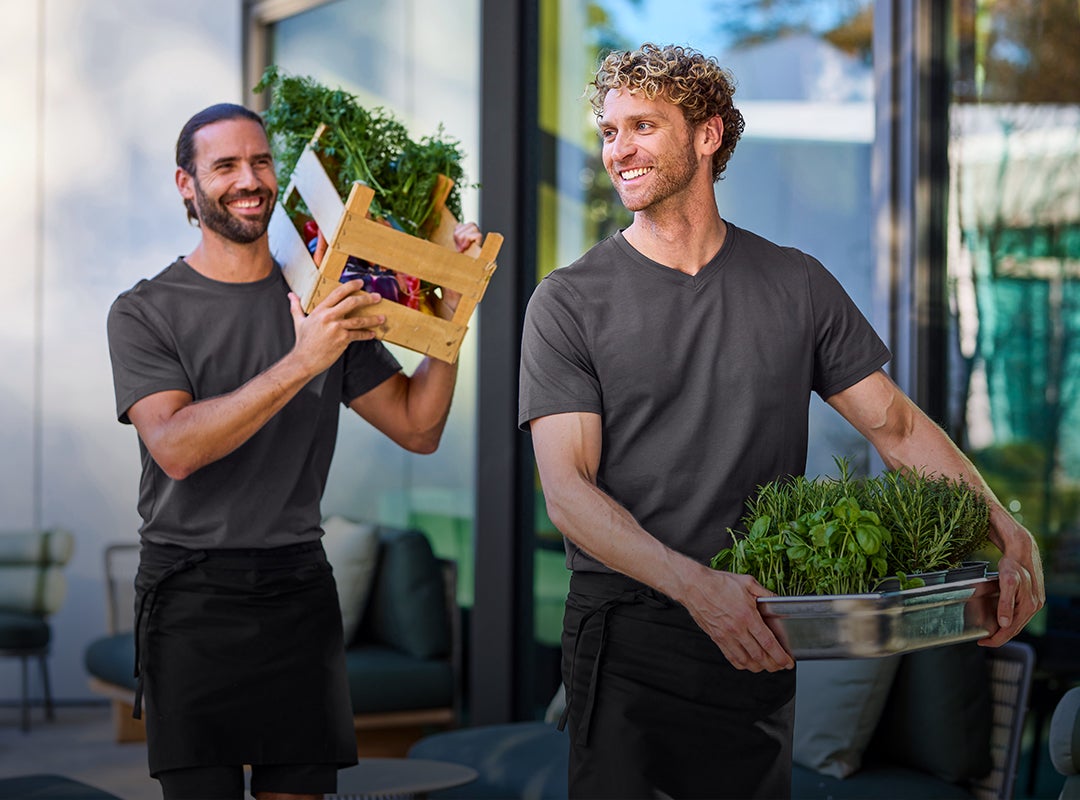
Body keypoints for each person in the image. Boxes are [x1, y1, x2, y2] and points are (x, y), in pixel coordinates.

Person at [517, 43, 1045, 800]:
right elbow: (568, 491)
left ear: (708, 135)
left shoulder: (795, 282)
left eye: (642, 126)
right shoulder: (569, 301)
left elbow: (893, 427)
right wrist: (698, 588)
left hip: (762, 626)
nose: (618, 150)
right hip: (629, 631)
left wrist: (1002, 525)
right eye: (608, 131)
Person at [107, 102, 481, 800]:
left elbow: (418, 428)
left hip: (298, 590)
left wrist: (450, 311)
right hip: (190, 594)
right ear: (186, 184)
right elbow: (177, 449)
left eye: (259, 161)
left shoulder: (320, 297)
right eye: (224, 166)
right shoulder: (146, 310)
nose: (248, 179)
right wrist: (304, 361)